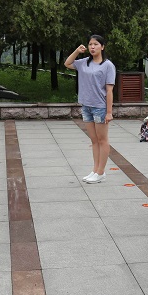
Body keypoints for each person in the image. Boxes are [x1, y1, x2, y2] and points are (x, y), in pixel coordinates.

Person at [64, 34, 116, 184]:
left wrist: (109, 112)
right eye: (90, 44)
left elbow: (109, 90)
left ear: (102, 47)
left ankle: (101, 172)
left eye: (96, 44)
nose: (92, 47)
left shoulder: (108, 65)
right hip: (86, 106)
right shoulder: (84, 62)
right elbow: (67, 63)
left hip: (100, 107)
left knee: (102, 140)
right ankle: (95, 170)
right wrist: (77, 51)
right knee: (94, 140)